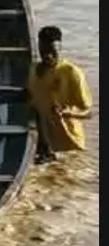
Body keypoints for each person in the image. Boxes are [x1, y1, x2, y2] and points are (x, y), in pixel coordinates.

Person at [27, 26, 93, 160]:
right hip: (47, 147)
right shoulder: (33, 70)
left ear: (60, 48)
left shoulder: (71, 73)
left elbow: (89, 113)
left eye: (53, 52)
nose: (48, 56)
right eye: (43, 51)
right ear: (38, 46)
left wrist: (69, 114)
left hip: (70, 147)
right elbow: (32, 98)